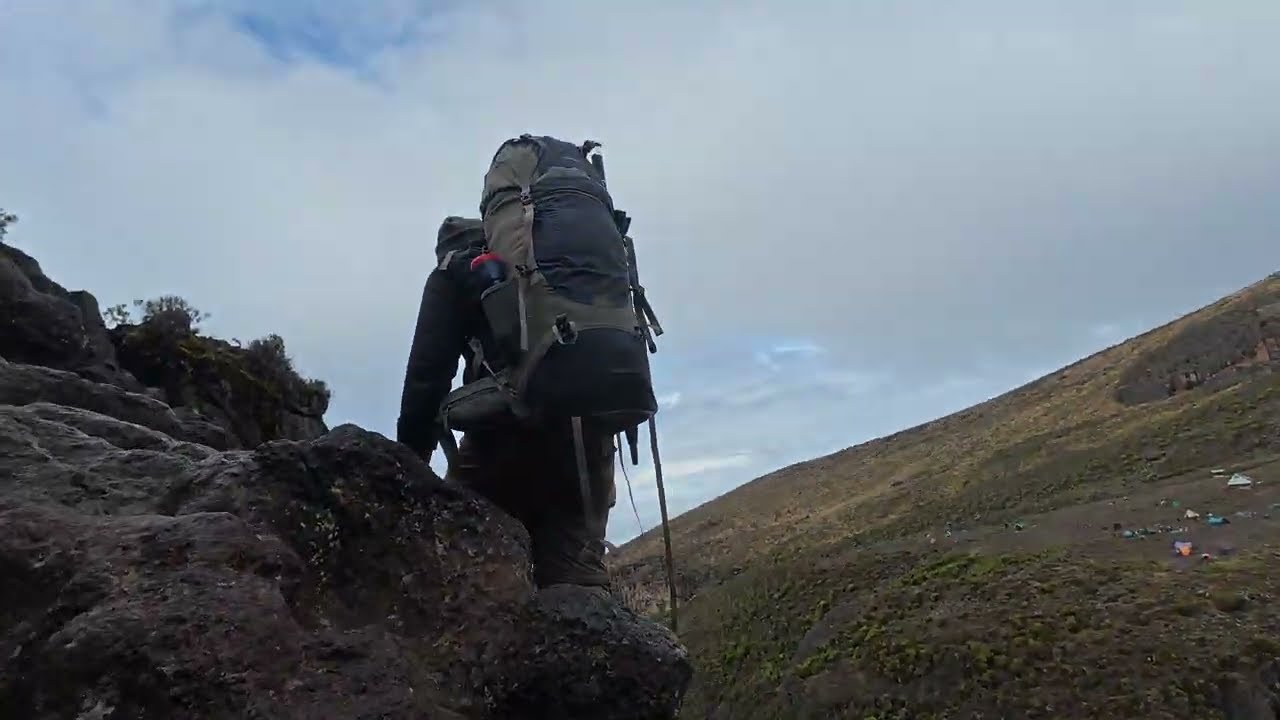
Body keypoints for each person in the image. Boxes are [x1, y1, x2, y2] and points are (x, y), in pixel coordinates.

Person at [396, 215, 618, 590]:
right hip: (588, 441)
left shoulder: (455, 270)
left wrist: (406, 464)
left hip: (506, 443)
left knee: (458, 570)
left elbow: (426, 376)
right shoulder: (547, 267)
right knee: (576, 582)